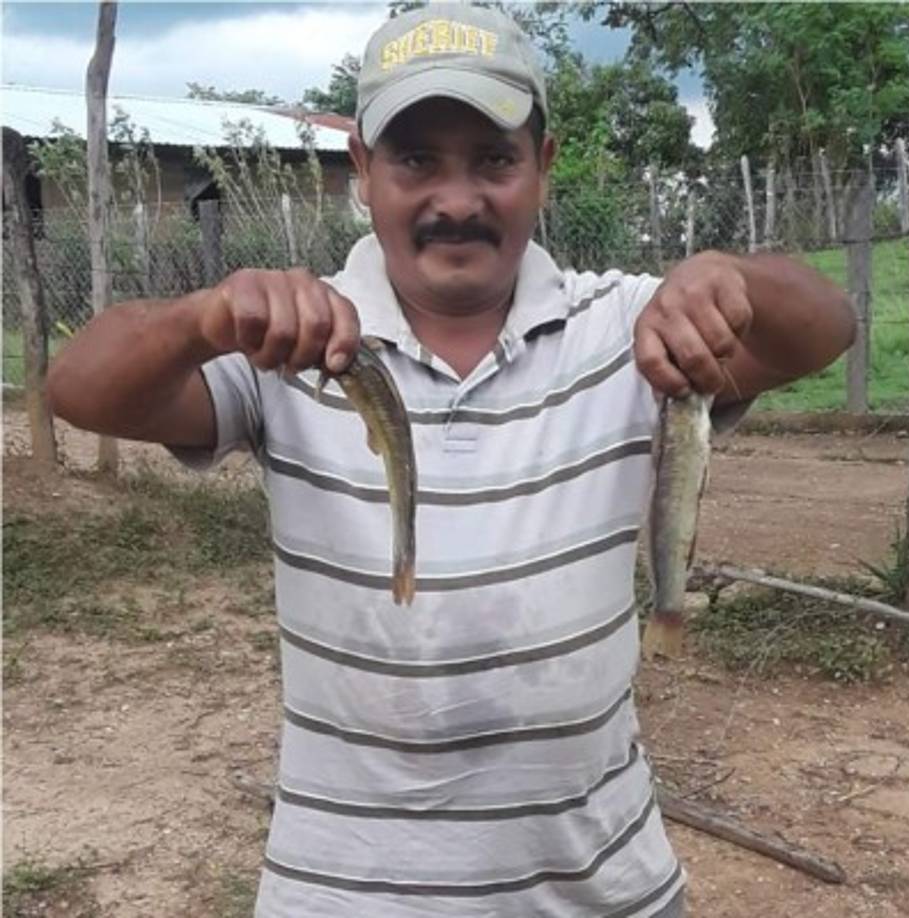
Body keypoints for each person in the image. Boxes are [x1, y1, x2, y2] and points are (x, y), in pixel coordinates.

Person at [47, 5, 854, 916]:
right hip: (343, 893)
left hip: (605, 891)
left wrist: (731, 279)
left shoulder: (633, 330)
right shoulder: (294, 342)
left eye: (496, 160)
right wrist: (202, 319)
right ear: (362, 170)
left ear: (545, 168)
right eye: (416, 159)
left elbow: (825, 326)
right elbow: (79, 388)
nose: (457, 199)